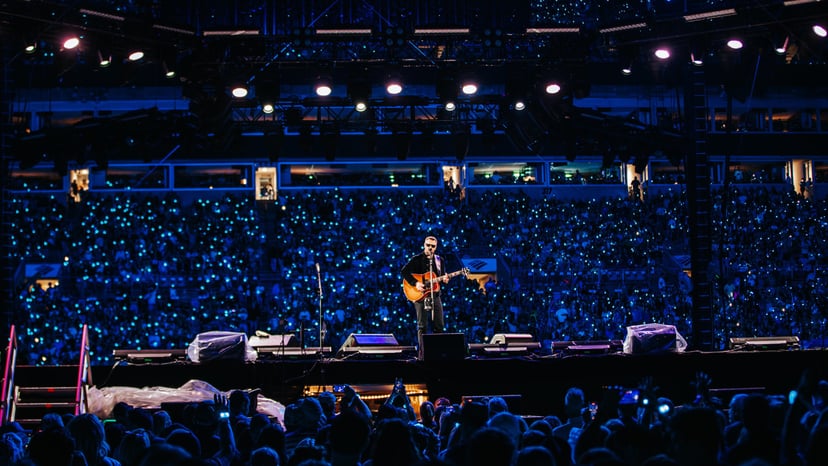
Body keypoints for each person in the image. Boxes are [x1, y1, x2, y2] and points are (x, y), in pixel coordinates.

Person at [402, 236, 449, 359]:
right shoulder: (416, 259)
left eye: (433, 246)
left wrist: (445, 279)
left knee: (439, 325)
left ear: (436, 247)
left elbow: (441, 277)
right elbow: (404, 272)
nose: (430, 248)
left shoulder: (439, 260)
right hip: (420, 295)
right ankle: (422, 354)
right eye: (428, 245)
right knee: (422, 325)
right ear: (424, 245)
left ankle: (438, 353)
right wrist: (415, 283)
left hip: (435, 295)